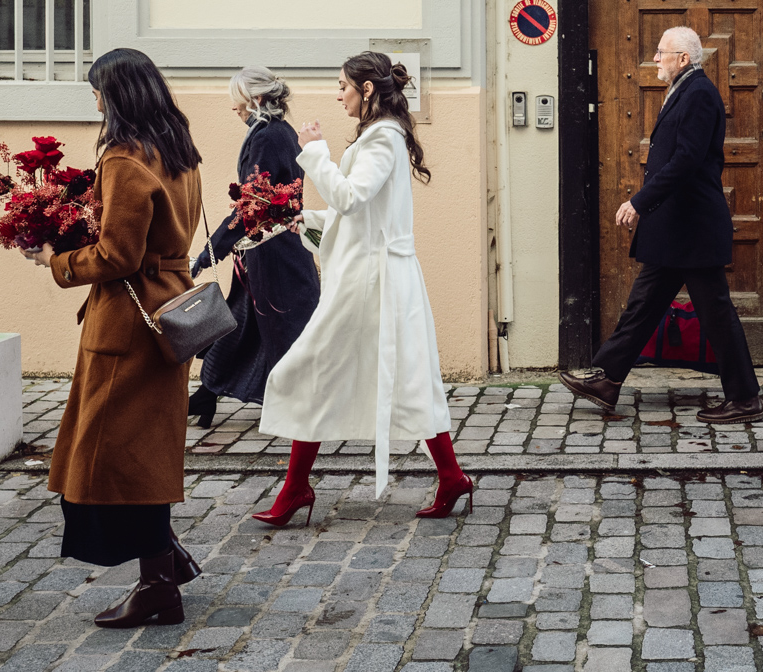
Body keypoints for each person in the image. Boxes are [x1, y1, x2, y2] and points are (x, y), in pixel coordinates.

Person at [24, 47, 205, 628]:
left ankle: (158, 585)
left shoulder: (125, 160)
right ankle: (165, 561)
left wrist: (58, 258)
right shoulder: (179, 151)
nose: (95, 101)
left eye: (98, 90)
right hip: (170, 313)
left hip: (129, 327)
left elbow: (118, 255)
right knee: (144, 451)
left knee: (115, 457)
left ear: (119, 96)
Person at [251, 51, 470, 524]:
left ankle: (297, 489)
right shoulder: (378, 138)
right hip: (371, 276)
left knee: (322, 369)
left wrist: (314, 152)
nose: (338, 94)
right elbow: (358, 217)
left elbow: (351, 199)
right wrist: (302, 220)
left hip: (375, 282)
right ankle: (298, 488)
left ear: (366, 89)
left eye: (343, 86)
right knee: (356, 372)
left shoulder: (381, 139)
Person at [559, 25, 763, 424]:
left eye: (660, 52)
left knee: (716, 314)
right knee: (642, 308)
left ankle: (744, 398)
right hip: (675, 230)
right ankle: (607, 379)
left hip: (693, 229)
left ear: (683, 59)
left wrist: (639, 201)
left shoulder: (700, 94)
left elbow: (686, 161)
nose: (654, 59)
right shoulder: (685, 90)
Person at [188, 67, 320, 429]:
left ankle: (303, 404)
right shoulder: (276, 133)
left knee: (286, 329)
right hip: (269, 253)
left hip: (274, 258)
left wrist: (209, 252)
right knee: (240, 323)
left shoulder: (267, 137)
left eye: (239, 99)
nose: (235, 107)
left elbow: (252, 206)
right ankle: (208, 393)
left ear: (258, 99)